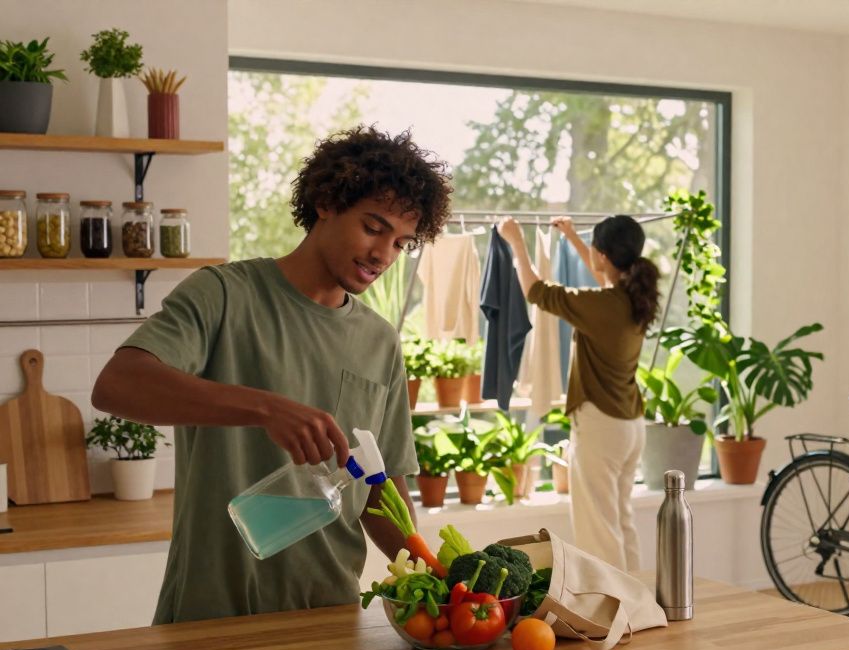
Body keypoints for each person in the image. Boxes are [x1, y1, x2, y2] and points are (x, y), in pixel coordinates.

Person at [91, 126, 453, 624]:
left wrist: (435, 582)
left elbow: (377, 486)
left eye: (401, 243)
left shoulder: (379, 340)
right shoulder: (223, 294)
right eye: (373, 227)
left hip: (329, 618)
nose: (383, 255)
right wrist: (265, 407)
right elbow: (118, 384)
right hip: (209, 615)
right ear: (326, 201)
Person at [496, 214, 659, 572]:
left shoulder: (601, 305)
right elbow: (602, 272)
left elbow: (536, 292)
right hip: (630, 426)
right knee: (619, 521)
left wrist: (517, 242)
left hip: (602, 426)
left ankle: (607, 607)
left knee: (597, 529)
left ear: (603, 254)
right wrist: (571, 236)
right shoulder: (633, 299)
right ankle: (635, 600)